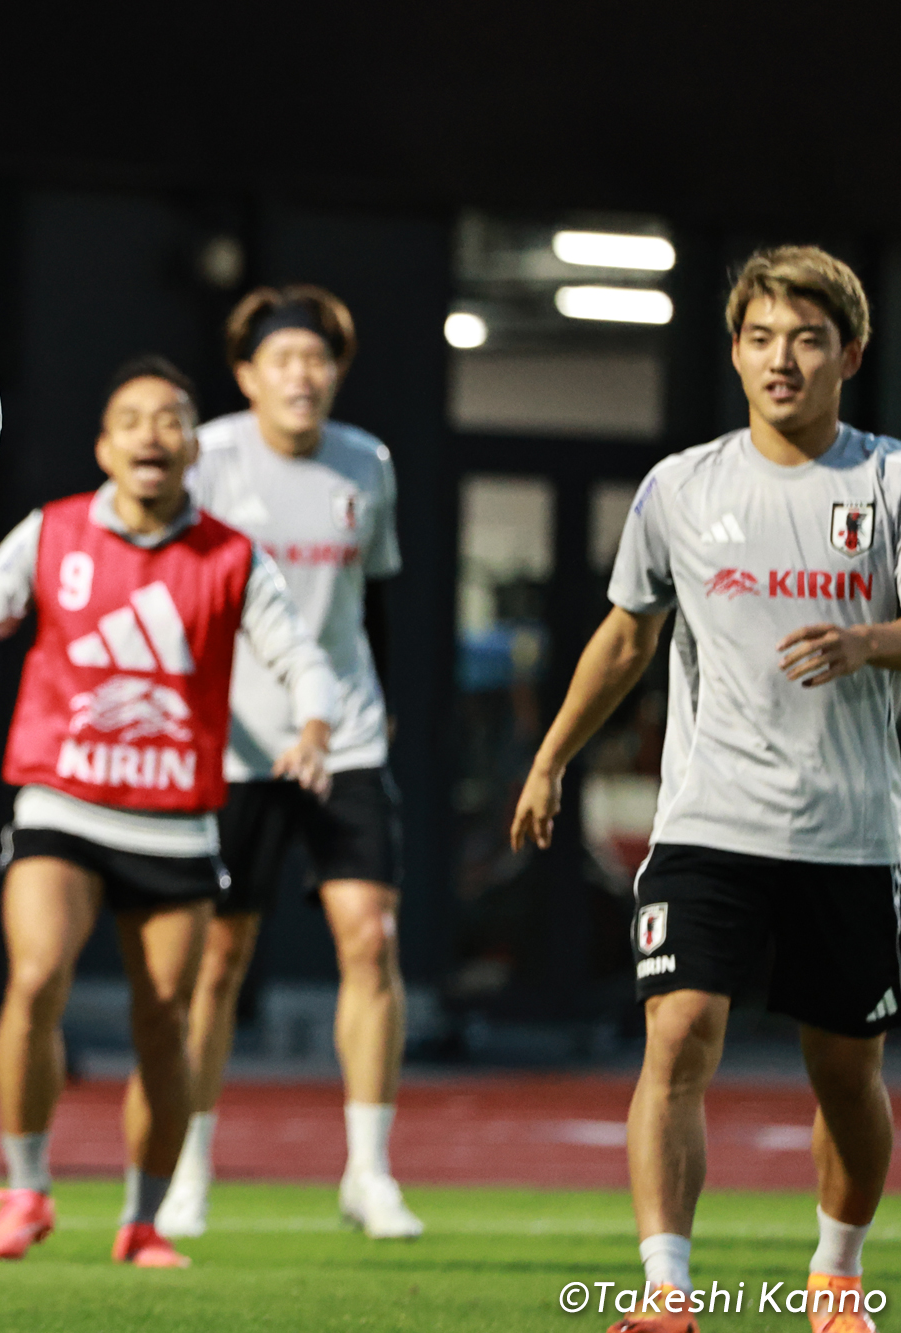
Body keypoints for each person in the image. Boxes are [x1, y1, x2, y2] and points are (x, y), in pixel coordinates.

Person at [512, 246, 901, 1333]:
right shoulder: (678, 488)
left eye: (808, 339)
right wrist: (550, 756)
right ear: (733, 351)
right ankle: (666, 1293)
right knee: (677, 1032)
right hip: (708, 820)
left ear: (849, 355)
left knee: (844, 1073)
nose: (782, 359)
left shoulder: (887, 482)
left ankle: (834, 1277)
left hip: (849, 831)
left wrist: (870, 641)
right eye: (762, 337)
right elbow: (626, 636)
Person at [0, 357, 339, 1268]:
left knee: (166, 1018)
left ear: (192, 449)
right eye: (132, 418)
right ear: (105, 447)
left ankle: (142, 1218)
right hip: (62, 798)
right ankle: (26, 1189)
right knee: (35, 979)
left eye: (170, 418)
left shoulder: (231, 556)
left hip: (175, 820)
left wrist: (315, 724)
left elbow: (301, 654)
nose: (151, 433)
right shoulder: (52, 531)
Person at [140, 284, 418, 1239]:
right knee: (218, 960)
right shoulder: (207, 458)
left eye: (318, 359)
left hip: (343, 735)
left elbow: (372, 602)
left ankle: (370, 1173)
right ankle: (188, 1168)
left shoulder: (368, 463)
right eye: (284, 359)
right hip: (232, 745)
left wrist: (359, 711)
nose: (304, 375)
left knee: (371, 940)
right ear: (248, 375)